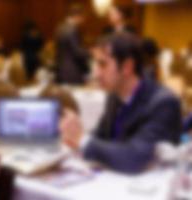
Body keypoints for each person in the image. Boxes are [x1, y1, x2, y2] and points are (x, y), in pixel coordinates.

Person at [60, 33, 181, 173]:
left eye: (102, 64)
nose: (95, 74)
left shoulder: (163, 104)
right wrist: (73, 138)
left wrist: (82, 140)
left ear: (127, 67)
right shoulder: (114, 95)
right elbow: (100, 136)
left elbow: (133, 159)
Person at [55, 4, 89, 84]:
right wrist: (91, 53)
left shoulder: (60, 27)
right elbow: (77, 51)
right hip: (73, 71)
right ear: (77, 16)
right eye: (83, 17)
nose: (83, 21)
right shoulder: (72, 29)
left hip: (61, 70)